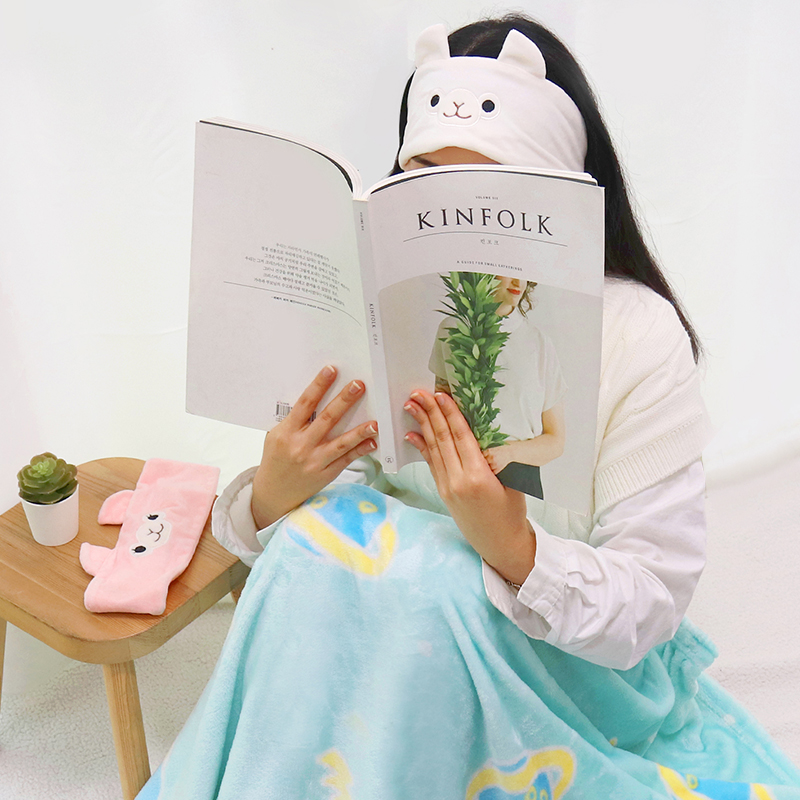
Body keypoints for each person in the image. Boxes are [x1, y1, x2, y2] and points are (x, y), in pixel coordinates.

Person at [136, 15, 800, 800]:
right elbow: (336, 546)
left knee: (426, 583)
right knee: (317, 542)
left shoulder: (637, 334)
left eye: (486, 196)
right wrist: (276, 494)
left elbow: (649, 603)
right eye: (425, 186)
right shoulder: (397, 308)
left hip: (565, 666)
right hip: (396, 632)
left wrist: (515, 546)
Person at [429, 275, 567, 481]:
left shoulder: (539, 343)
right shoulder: (452, 330)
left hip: (521, 478)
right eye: (509, 271)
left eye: (524, 273)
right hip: (464, 469)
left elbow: (556, 442)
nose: (518, 282)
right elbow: (442, 407)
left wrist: (508, 453)